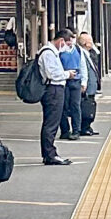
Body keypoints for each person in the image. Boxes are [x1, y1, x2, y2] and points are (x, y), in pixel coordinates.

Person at [36, 29, 74, 165]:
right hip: (52, 90)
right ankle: (49, 154)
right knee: (51, 123)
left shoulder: (52, 52)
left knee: (52, 122)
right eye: (68, 44)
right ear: (61, 41)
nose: (69, 48)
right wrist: (67, 74)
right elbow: (52, 74)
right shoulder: (48, 53)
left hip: (55, 89)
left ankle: (49, 153)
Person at [57, 31, 84, 139]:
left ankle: (76, 131)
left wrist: (84, 81)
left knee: (75, 106)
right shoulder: (59, 51)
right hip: (64, 80)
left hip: (76, 81)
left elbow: (83, 65)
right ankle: (65, 131)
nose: (71, 43)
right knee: (62, 107)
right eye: (69, 41)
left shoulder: (78, 49)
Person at [76, 29, 102, 135]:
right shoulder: (82, 53)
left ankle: (88, 126)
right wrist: (84, 83)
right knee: (86, 107)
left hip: (92, 85)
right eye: (90, 41)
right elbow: (83, 69)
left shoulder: (89, 53)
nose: (92, 43)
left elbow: (97, 53)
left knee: (90, 105)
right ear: (86, 43)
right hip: (87, 85)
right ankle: (84, 127)